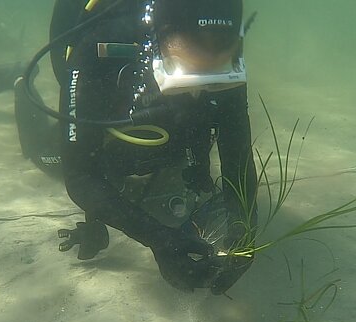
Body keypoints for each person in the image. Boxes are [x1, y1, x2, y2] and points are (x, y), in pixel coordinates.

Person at [16, 0, 259, 294]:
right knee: (47, 156)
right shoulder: (100, 46)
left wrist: (243, 233)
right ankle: (17, 81)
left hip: (166, 126)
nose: (200, 88)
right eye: (190, 71)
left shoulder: (226, 55)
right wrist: (158, 238)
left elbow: (238, 156)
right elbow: (80, 177)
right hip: (107, 105)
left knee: (173, 149)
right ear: (159, 39)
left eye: (217, 72)